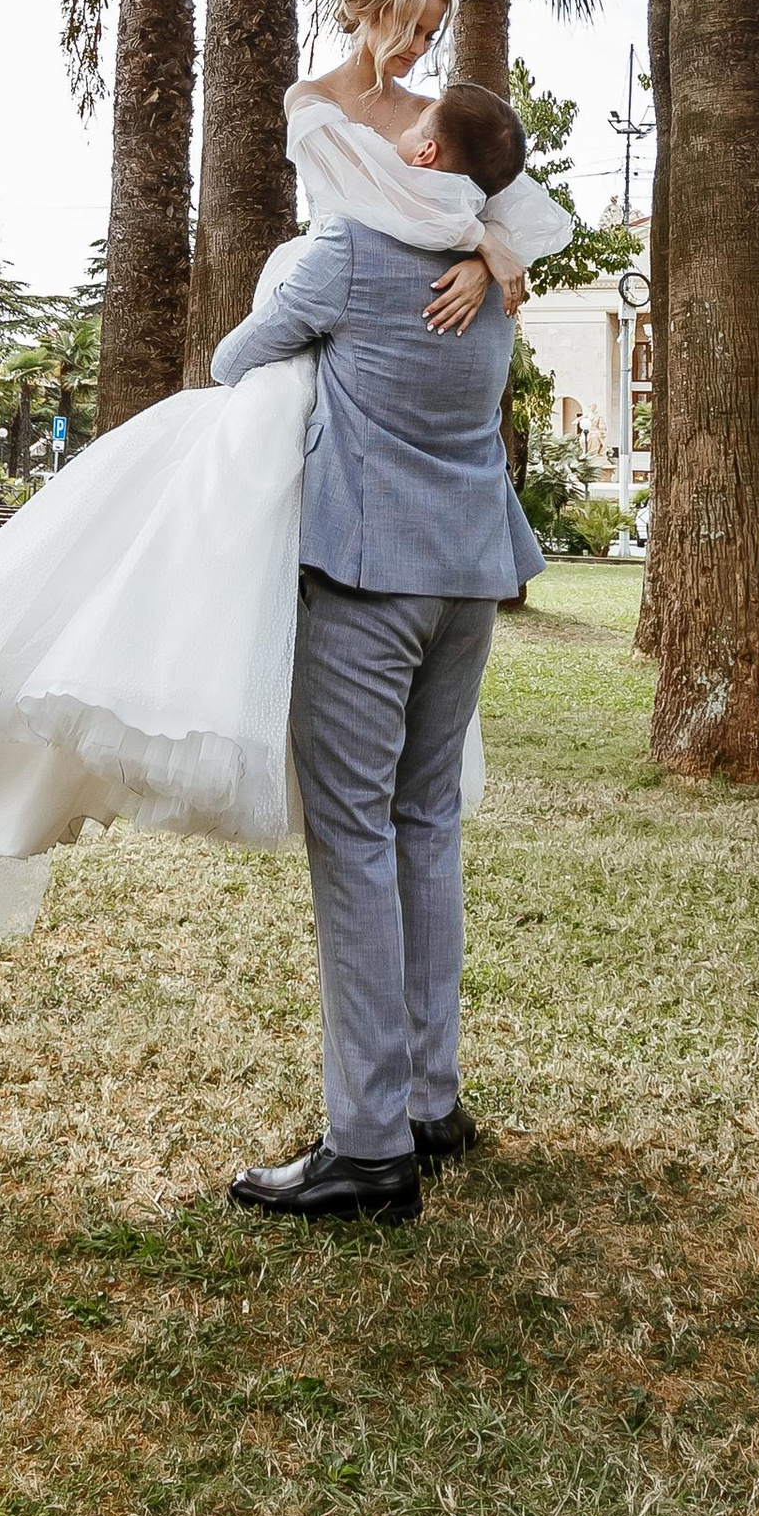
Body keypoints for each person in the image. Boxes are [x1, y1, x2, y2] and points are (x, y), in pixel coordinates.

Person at [0, 0, 567, 986]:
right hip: (354, 313)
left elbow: (504, 211)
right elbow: (411, 215)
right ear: (372, 11)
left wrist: (488, 259)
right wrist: (467, 243)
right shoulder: (322, 107)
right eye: (414, 28)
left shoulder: (441, 126)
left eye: (435, 36)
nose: (423, 50)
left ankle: (383, 1124)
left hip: (375, 312)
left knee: (374, 815)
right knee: (207, 490)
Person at [214, 70, 543, 1230]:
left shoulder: (349, 260)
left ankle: (365, 1147)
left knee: (354, 839)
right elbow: (507, 210)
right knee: (424, 824)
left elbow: (231, 363)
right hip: (470, 577)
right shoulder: (494, 273)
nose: (393, 129)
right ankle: (427, 1102)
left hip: (364, 580)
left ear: (425, 157)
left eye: (412, 126)